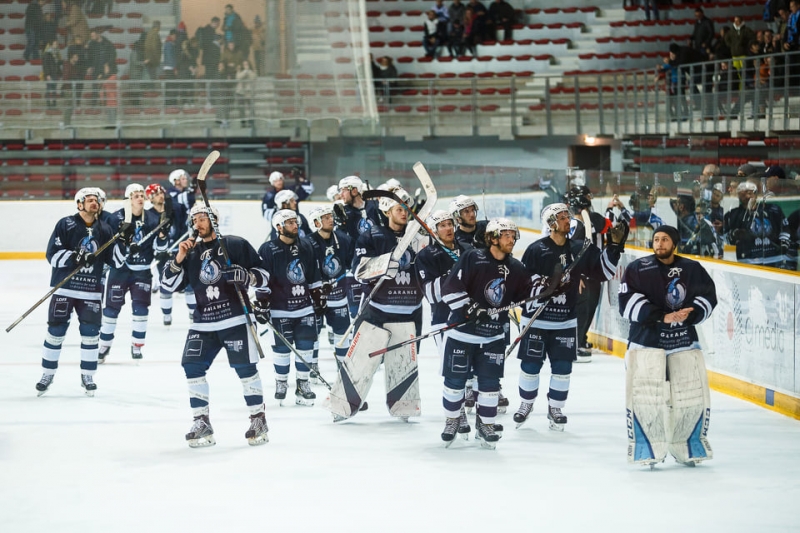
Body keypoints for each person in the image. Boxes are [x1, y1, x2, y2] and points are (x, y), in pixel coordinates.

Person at [161, 204, 271, 447]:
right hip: (203, 323)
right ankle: (201, 421)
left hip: (235, 318)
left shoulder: (234, 244)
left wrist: (247, 276)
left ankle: (258, 419)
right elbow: (167, 286)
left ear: (214, 220)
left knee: (245, 368)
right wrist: (178, 257)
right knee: (191, 365)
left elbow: (264, 275)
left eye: (203, 219)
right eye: (195, 220)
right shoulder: (189, 252)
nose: (198, 224)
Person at [512, 203, 624, 431]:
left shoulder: (580, 247)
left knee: (562, 367)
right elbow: (523, 283)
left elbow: (604, 271)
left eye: (568, 216)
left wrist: (613, 247)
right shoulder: (536, 249)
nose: (568, 220)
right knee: (531, 365)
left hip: (565, 321)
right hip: (537, 319)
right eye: (562, 217)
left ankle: (556, 408)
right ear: (552, 223)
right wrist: (546, 287)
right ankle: (526, 403)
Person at [618, 225, 717, 467]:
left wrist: (692, 312)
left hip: (683, 341)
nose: (659, 243)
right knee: (646, 396)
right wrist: (661, 316)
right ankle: (647, 447)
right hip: (646, 342)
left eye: (665, 239)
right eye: (656, 239)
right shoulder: (638, 268)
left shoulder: (692, 269)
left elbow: (708, 296)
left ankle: (688, 444)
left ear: (675, 243)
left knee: (690, 395)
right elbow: (626, 301)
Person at [326, 193, 427, 422]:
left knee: (403, 361)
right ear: (386, 211)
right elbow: (359, 271)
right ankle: (342, 404)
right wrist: (381, 265)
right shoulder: (372, 235)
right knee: (362, 359)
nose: (403, 212)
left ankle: (404, 406)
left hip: (410, 311)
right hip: (377, 310)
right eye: (398, 208)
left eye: (406, 208)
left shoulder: (420, 237)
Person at [438, 218, 531, 448]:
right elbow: (450, 287)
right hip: (462, 333)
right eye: (506, 234)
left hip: (492, 337)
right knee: (455, 382)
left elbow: (526, 295)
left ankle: (486, 424)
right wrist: (467, 307)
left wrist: (550, 288)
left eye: (513, 234)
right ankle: (452, 421)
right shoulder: (473, 257)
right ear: (493, 238)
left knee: (490, 384)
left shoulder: (516, 268)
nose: (512, 239)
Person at [35, 187, 117, 397]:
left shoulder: (106, 229)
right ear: (79, 204)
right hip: (65, 289)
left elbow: (113, 262)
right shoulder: (66, 224)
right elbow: (51, 254)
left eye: (96, 200)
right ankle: (47, 373)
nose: (94, 203)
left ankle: (88, 376)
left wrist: (124, 245)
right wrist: (76, 257)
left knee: (91, 337)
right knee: (55, 333)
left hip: (91, 292)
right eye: (89, 200)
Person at [255, 209, 322, 406]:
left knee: (306, 346)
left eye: (296, 222)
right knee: (282, 349)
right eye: (290, 223)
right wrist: (262, 304)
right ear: (279, 227)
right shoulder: (267, 249)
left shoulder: (306, 245)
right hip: (279, 309)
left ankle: (303, 384)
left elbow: (313, 274)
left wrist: (318, 297)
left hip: (304, 307)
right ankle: (281, 382)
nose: (295, 225)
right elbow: (262, 279)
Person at [98, 184, 169, 361]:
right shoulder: (115, 219)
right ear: (128, 198)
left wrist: (162, 238)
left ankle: (137, 345)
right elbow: (105, 244)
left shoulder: (153, 219)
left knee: (141, 309)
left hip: (142, 272)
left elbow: (161, 249)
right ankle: (104, 345)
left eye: (141, 195)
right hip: (119, 271)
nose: (140, 198)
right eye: (135, 195)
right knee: (111, 310)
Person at [565, 186, 614, 363]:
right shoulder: (582, 223)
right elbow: (608, 226)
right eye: (587, 197)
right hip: (586, 274)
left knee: (585, 309)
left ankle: (579, 340)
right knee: (583, 309)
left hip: (587, 272)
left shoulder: (577, 222)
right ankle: (576, 344)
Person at [305, 205, 353, 377]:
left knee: (342, 335)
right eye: (325, 217)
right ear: (316, 222)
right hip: (315, 300)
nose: (331, 219)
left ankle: (343, 370)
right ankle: (313, 367)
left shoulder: (343, 239)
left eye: (330, 216)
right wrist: (318, 285)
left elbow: (351, 263)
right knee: (313, 335)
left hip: (339, 297)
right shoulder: (306, 243)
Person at [145, 184, 180, 326]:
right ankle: (167, 315)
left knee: (190, 284)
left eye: (162, 192)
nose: (160, 195)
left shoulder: (174, 210)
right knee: (165, 283)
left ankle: (193, 312)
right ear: (150, 197)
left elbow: (184, 224)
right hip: (162, 254)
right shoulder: (148, 215)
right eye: (156, 193)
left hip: (178, 249)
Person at [235, 59, 256, 127]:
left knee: (251, 107)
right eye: (244, 64)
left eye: (247, 64)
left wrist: (248, 71)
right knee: (241, 108)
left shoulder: (252, 71)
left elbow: (253, 77)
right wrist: (245, 71)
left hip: (249, 92)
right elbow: (238, 77)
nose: (245, 66)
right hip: (240, 92)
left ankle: (251, 121)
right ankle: (243, 121)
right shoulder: (239, 71)